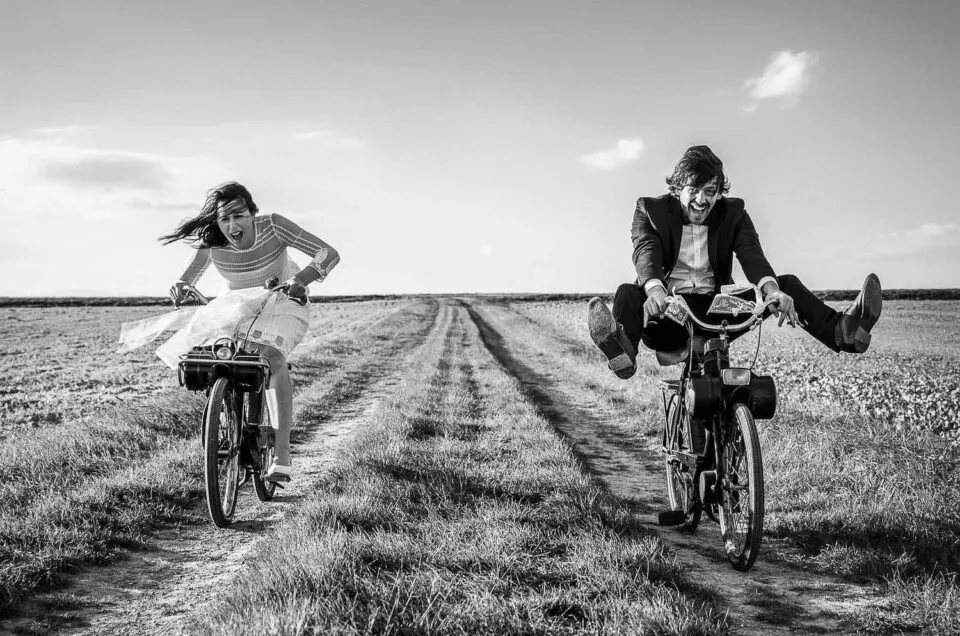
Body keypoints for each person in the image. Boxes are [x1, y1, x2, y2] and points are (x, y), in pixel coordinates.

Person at [587, 145, 882, 379]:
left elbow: (751, 252)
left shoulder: (734, 213)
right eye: (694, 190)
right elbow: (645, 251)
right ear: (677, 188)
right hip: (668, 313)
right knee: (627, 291)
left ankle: (844, 332)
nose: (702, 200)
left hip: (716, 313)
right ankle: (623, 350)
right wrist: (654, 291)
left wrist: (771, 291)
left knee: (786, 284)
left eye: (710, 192)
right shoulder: (650, 210)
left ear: (719, 192)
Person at [159, 182, 340, 479]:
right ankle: (229, 421)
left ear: (253, 214)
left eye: (239, 215)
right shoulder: (213, 240)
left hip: (283, 301)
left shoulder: (274, 226)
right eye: (224, 218)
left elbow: (327, 253)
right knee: (218, 359)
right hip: (237, 308)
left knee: (270, 357)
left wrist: (302, 280)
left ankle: (282, 456)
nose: (232, 224)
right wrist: (181, 286)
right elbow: (188, 277)